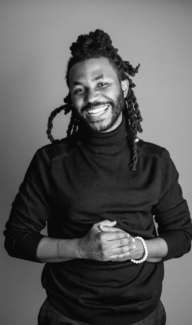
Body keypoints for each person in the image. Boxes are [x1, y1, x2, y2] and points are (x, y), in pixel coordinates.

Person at [4, 29, 192, 325]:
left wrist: (137, 248)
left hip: (143, 316)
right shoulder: (50, 161)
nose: (91, 97)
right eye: (79, 89)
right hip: (66, 315)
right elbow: (16, 239)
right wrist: (81, 247)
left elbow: (182, 236)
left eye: (101, 83)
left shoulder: (156, 161)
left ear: (124, 87)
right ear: (71, 97)